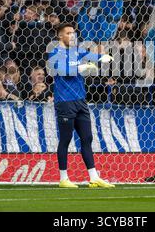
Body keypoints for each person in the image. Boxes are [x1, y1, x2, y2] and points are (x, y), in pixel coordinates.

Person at [47, 22, 115, 188]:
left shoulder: (77, 51)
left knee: (87, 138)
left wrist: (103, 58)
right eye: (68, 33)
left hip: (80, 101)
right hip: (65, 101)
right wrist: (82, 66)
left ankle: (94, 177)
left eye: (73, 33)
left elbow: (92, 56)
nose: (72, 36)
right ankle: (63, 179)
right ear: (60, 36)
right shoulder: (55, 53)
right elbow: (64, 71)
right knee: (66, 139)